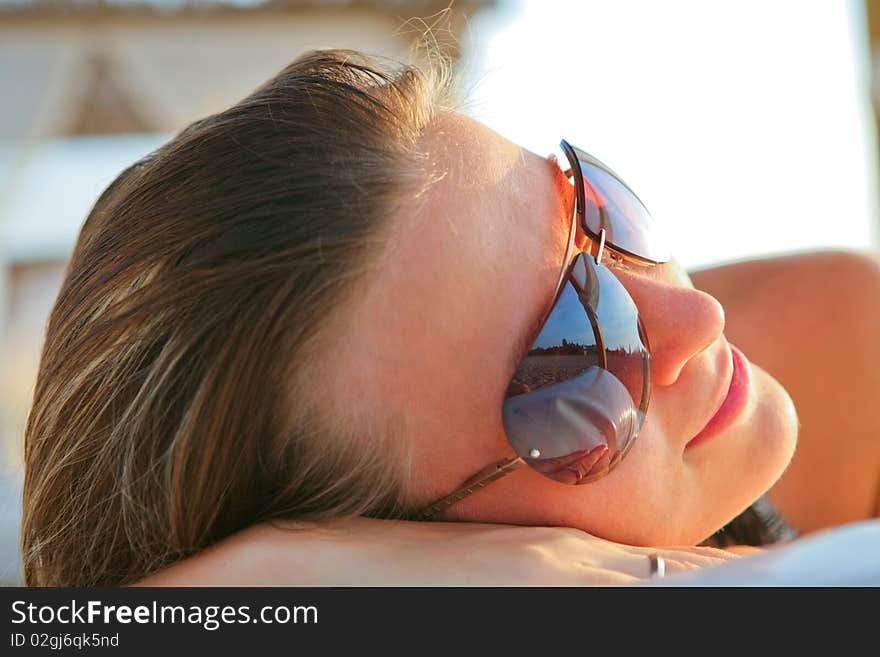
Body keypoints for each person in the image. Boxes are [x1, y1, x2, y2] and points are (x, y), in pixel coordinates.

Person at [21, 49, 880, 587]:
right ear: (389, 551)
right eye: (579, 360)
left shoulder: (831, 335)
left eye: (601, 215)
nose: (696, 314)